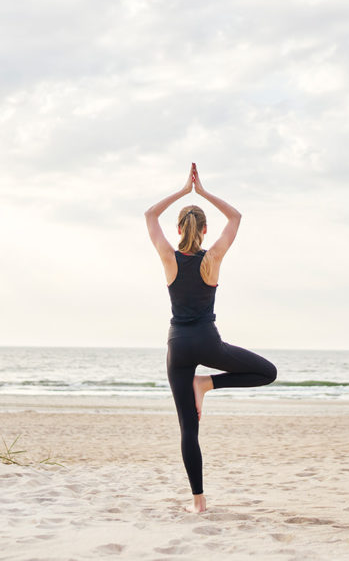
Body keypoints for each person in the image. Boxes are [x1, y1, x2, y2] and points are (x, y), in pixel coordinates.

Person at [144, 163, 278, 513]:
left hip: (178, 347)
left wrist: (181, 190)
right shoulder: (213, 258)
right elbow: (235, 217)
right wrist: (201, 191)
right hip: (207, 341)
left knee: (188, 429)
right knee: (268, 372)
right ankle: (208, 384)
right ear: (204, 230)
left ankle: (198, 503)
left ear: (178, 229)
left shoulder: (168, 257)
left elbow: (149, 215)